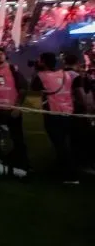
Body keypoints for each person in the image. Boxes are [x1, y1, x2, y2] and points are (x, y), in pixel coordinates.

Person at [31, 52, 83, 184]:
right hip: (69, 112)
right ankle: (62, 169)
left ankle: (71, 175)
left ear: (42, 62)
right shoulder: (65, 74)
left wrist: (36, 69)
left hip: (53, 113)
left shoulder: (41, 76)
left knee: (60, 145)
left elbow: (34, 88)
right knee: (65, 144)